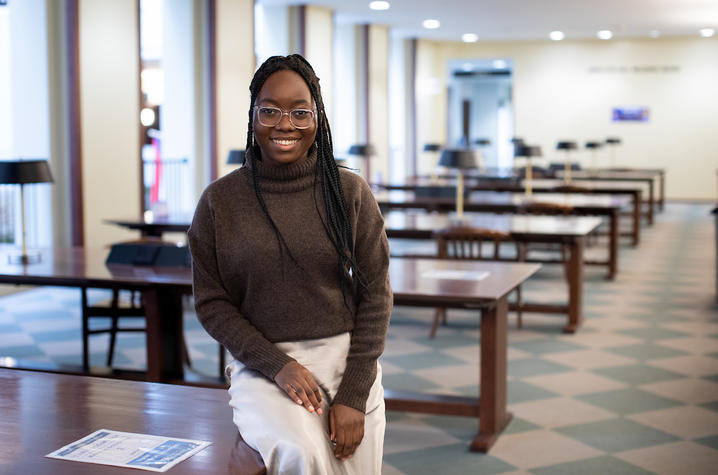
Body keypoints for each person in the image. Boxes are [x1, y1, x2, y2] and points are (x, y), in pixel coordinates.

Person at [188, 54, 392, 474]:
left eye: (301, 112)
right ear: (253, 115)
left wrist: (354, 394)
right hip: (262, 363)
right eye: (270, 111)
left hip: (346, 356)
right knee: (302, 453)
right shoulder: (220, 201)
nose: (286, 124)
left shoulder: (349, 192)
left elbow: (376, 296)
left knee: (352, 459)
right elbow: (212, 304)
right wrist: (277, 365)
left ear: (317, 116)